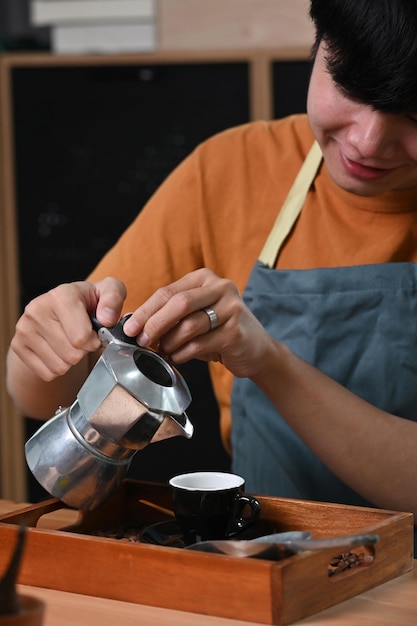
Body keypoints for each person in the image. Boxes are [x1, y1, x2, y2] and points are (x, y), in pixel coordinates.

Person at [6, 0, 417, 554]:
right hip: (264, 566)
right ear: (319, 44)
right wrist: (48, 337)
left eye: (414, 115)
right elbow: (36, 395)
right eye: (351, 86)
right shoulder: (232, 170)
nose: (368, 141)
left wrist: (268, 362)